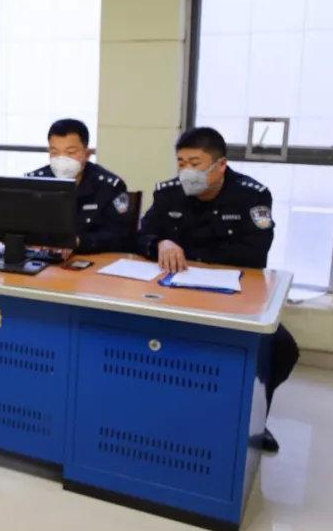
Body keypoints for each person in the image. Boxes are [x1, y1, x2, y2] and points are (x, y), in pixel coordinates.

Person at [138, 126, 299, 453]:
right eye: (181, 162)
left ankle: (256, 419)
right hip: (174, 290)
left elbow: (255, 252)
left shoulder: (251, 196)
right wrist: (161, 242)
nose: (187, 171)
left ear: (220, 165)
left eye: (195, 163)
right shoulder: (168, 193)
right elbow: (142, 235)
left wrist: (194, 258)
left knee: (283, 349)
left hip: (231, 292)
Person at [26, 118, 136, 254]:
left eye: (71, 152)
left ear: (86, 153)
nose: (62, 159)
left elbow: (121, 236)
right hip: (41, 259)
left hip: (90, 259)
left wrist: (79, 241)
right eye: (54, 152)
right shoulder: (34, 182)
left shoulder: (109, 186)